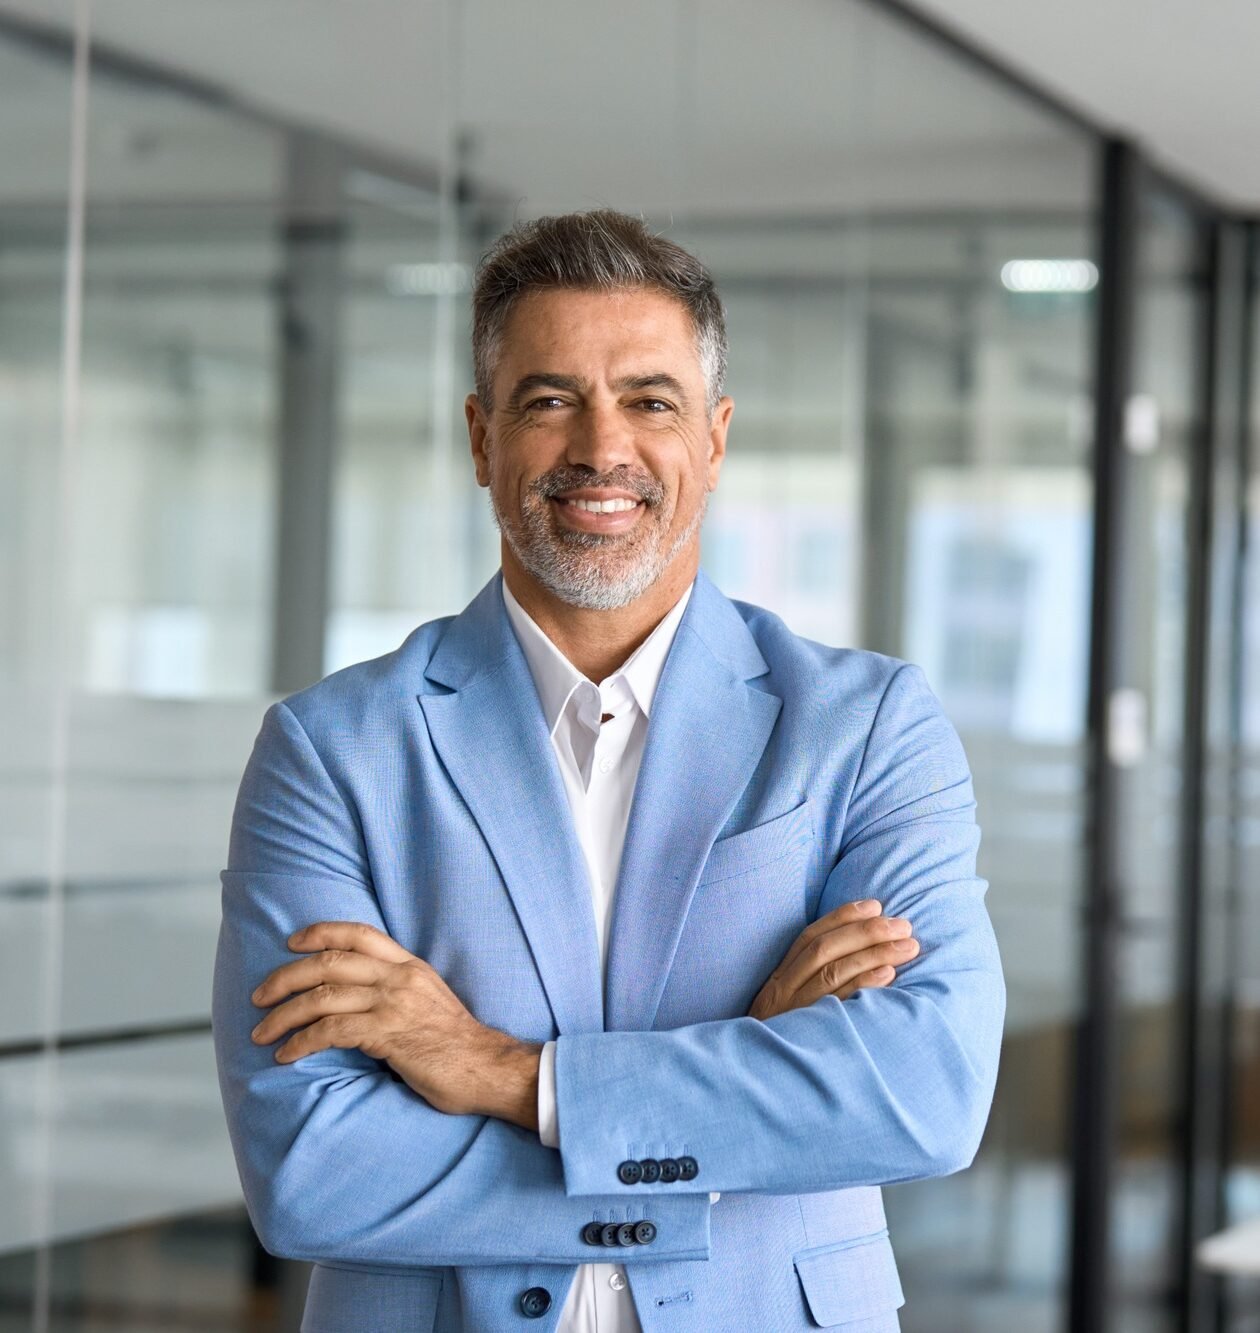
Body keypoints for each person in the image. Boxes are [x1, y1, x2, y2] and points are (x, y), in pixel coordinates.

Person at [212, 209, 1005, 1332]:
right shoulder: (331, 750)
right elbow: (308, 1170)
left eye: (650, 400)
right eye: (549, 400)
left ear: (716, 439)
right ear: (481, 438)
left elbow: (924, 1093)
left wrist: (497, 1072)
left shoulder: (866, 726)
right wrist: (750, 1083)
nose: (601, 448)